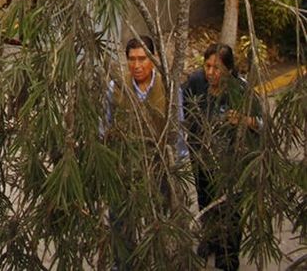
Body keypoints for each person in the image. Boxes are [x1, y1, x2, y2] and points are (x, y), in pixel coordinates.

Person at [105, 36, 187, 270]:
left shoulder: (168, 88)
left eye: (142, 59)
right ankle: (123, 264)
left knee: (158, 218)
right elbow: (106, 124)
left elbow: (177, 129)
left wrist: (177, 169)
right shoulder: (116, 87)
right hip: (125, 167)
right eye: (132, 60)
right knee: (120, 220)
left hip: (157, 166)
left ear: (153, 59)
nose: (137, 65)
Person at [183, 43, 262, 271]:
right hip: (202, 163)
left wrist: (245, 120)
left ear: (228, 69)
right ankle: (210, 241)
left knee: (230, 212)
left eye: (216, 68)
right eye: (207, 66)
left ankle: (228, 255)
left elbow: (264, 124)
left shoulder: (241, 90)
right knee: (206, 203)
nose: (210, 72)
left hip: (231, 168)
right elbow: (181, 107)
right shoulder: (196, 82)